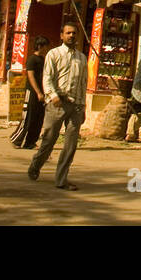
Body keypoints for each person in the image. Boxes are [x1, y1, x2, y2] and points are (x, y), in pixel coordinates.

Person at [27, 23, 88, 191]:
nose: (71, 36)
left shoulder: (82, 58)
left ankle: (61, 179)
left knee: (71, 144)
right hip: (57, 103)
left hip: (75, 105)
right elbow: (47, 78)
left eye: (74, 33)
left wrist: (83, 106)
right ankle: (36, 165)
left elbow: (83, 83)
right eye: (68, 33)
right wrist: (53, 96)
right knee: (49, 140)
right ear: (61, 35)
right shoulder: (54, 54)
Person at [10, 36, 49, 149]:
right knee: (28, 117)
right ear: (40, 46)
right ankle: (16, 139)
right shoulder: (32, 60)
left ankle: (30, 142)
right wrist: (38, 92)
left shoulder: (43, 60)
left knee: (38, 118)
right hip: (32, 92)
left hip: (42, 93)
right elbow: (31, 76)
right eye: (45, 46)